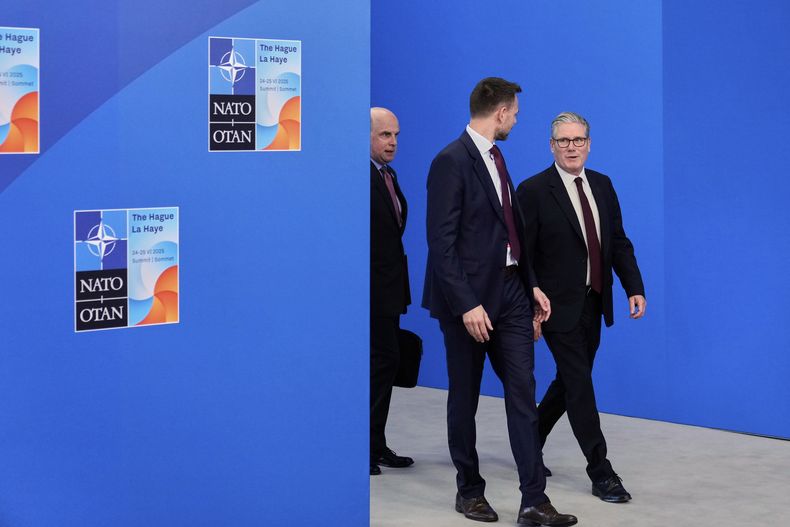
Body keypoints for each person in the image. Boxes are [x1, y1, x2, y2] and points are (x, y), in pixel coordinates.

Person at [422, 78, 577, 526]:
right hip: (468, 301)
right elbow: (441, 243)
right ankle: (469, 491)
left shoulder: (497, 157)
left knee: (522, 393)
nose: (517, 121)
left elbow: (511, 232)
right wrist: (467, 304)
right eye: (515, 113)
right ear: (501, 112)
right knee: (465, 397)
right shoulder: (450, 161)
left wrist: (531, 286)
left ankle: (534, 501)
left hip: (511, 294)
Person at [516, 112, 646, 503]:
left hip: (594, 301)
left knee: (572, 380)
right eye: (563, 141)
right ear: (551, 146)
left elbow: (618, 241)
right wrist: (530, 298)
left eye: (578, 140)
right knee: (580, 385)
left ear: (589, 144)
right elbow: (522, 254)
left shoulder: (602, 185)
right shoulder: (534, 190)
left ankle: (530, 441)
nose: (571, 147)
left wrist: (633, 287)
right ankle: (601, 471)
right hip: (555, 307)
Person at [370, 107, 414, 476]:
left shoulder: (388, 174)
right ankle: (365, 448)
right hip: (369, 293)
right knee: (380, 364)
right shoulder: (357, 177)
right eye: (385, 135)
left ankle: (376, 444)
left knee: (387, 364)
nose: (393, 142)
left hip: (390, 289)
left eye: (396, 135)